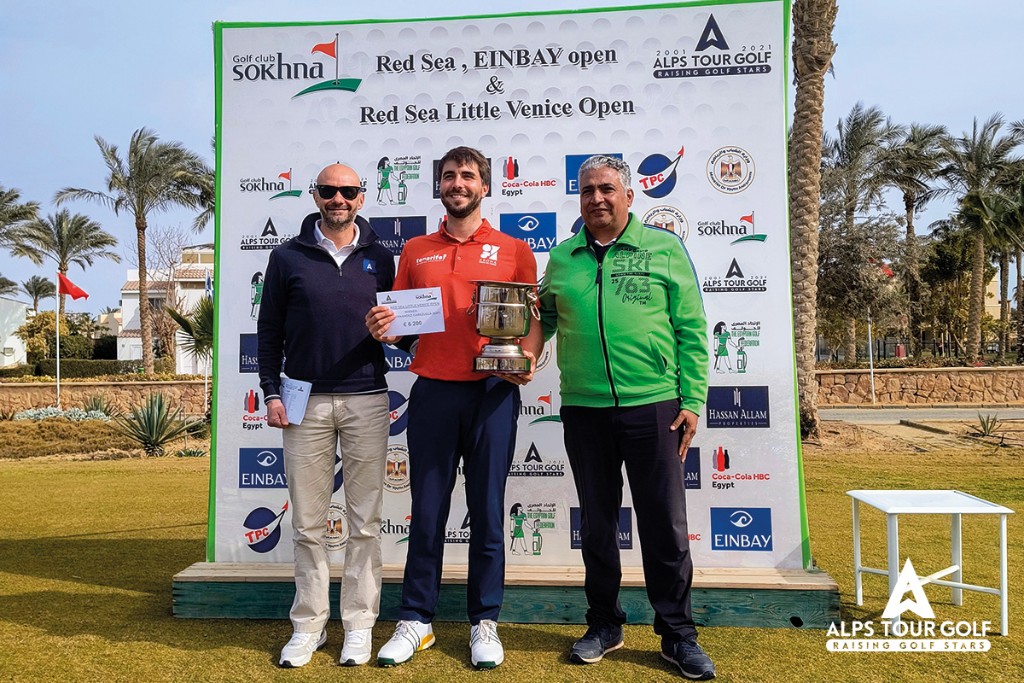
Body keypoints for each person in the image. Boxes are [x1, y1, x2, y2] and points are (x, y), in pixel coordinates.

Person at [526, 154, 716, 680]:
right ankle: (605, 624)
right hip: (584, 408)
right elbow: (540, 319)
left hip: (654, 406)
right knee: (598, 525)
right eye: (587, 191)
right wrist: (517, 351)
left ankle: (677, 635)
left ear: (629, 196)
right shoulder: (562, 258)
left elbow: (694, 331)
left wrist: (693, 400)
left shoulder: (663, 248)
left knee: (665, 527)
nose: (597, 198)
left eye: (607, 188)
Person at [366, 146, 541, 670]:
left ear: (486, 186)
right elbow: (399, 325)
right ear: (439, 187)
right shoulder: (416, 249)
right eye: (449, 176)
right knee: (428, 511)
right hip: (434, 393)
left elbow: (530, 320)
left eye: (468, 176)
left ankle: (484, 621)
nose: (458, 183)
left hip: (492, 394)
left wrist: (528, 356)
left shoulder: (514, 249)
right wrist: (385, 330)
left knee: (488, 513)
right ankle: (416, 619)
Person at [257, 162, 399, 669]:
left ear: (362, 198)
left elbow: (403, 331)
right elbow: (268, 331)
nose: (339, 198)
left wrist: (395, 331)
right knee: (308, 524)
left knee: (364, 523)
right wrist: (270, 391)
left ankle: (358, 626)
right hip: (304, 401)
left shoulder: (382, 258)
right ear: (316, 195)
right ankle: (309, 626)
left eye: (349, 191)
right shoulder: (285, 256)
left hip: (367, 398)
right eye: (329, 190)